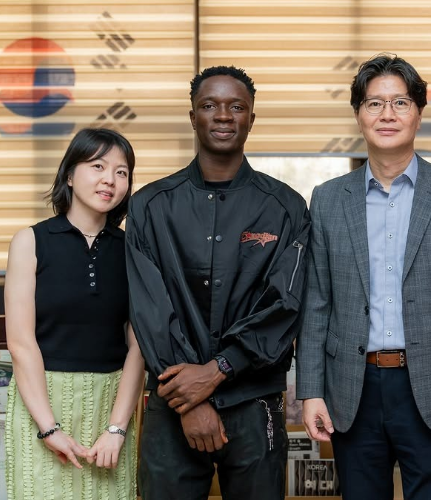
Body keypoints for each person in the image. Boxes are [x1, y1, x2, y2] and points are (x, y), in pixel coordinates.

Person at [296, 53, 431, 500]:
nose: (387, 114)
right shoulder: (328, 199)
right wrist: (311, 391)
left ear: (419, 114)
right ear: (359, 115)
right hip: (352, 386)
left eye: (401, 103)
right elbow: (317, 302)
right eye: (374, 103)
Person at [126, 66, 310, 500]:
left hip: (254, 400)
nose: (223, 115)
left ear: (251, 118)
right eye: (209, 105)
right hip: (172, 402)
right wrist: (189, 398)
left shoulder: (286, 208)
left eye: (236, 106)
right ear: (193, 117)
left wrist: (217, 370)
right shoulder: (149, 206)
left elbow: (286, 306)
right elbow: (150, 310)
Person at [4, 127, 144, 499]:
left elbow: (139, 346)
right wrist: (49, 428)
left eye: (121, 172)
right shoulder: (30, 241)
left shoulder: (134, 250)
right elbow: (21, 343)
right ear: (69, 174)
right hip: (40, 404)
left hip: (111, 407)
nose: (110, 179)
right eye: (98, 166)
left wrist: (117, 429)